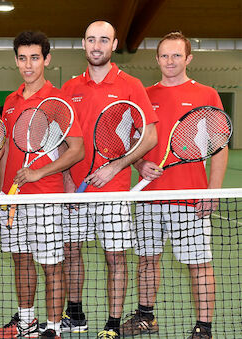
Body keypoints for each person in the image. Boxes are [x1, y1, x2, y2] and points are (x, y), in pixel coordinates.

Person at [121, 31, 228, 339]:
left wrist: (213, 191)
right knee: (146, 261)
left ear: (188, 58)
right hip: (150, 197)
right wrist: (140, 164)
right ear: (157, 59)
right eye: (164, 55)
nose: (170, 61)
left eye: (176, 55)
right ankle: (145, 318)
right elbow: (133, 143)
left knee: (199, 264)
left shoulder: (206, 95)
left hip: (190, 198)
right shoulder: (144, 95)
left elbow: (219, 147)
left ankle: (203, 327)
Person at [60, 21, 158, 339]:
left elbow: (149, 136)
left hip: (113, 189)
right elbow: (61, 139)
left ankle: (113, 323)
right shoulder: (70, 88)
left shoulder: (130, 85)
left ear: (114, 44)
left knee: (114, 257)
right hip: (76, 188)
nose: (97, 45)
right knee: (71, 251)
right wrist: (66, 181)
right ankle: (75, 314)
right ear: (84, 43)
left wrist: (117, 167)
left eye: (104, 39)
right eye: (91, 39)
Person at [0, 31, 84, 339]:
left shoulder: (57, 101)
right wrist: (2, 193)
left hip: (45, 197)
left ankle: (53, 328)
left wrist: (38, 173)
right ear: (16, 60)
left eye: (35, 58)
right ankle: (27, 322)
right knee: (20, 261)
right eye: (22, 58)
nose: (28, 65)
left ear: (46, 59)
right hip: (13, 200)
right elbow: (6, 149)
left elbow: (76, 149)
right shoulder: (10, 100)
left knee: (51, 265)